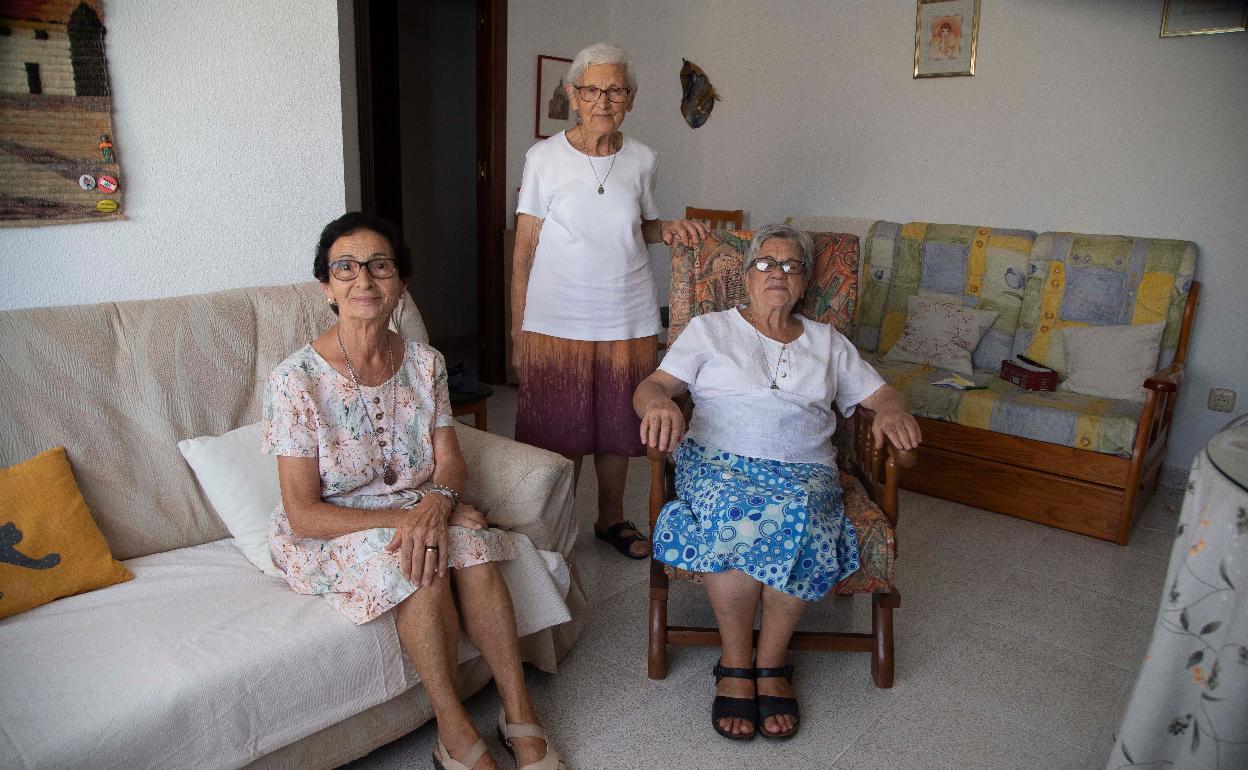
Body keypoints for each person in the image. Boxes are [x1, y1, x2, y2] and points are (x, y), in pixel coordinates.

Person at [263, 212, 563, 770]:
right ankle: (453, 731)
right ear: (326, 286)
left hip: (419, 507)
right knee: (417, 562)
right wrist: (414, 522)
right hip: (335, 526)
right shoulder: (294, 380)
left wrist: (439, 502)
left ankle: (519, 712)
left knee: (473, 553)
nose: (364, 280)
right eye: (345, 268)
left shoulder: (425, 363)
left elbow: (449, 461)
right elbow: (304, 514)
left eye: (381, 265)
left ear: (400, 282)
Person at [632, 224, 921, 741]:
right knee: (739, 510)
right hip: (720, 464)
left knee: (802, 513)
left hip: (805, 471)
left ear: (804, 282)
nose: (778, 274)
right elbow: (654, 385)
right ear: (746, 276)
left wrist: (893, 412)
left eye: (791, 266)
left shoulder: (829, 343)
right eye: (766, 263)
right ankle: (736, 661)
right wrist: (655, 402)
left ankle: (772, 663)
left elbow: (884, 395)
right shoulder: (709, 329)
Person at [511, 42, 708, 560]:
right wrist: (517, 334)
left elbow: (640, 226)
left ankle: (610, 520)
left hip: (627, 315)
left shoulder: (642, 159)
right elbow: (524, 250)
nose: (603, 99)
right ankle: (555, 528)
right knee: (560, 428)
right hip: (555, 320)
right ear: (573, 95)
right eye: (592, 89)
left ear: (632, 98)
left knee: (619, 427)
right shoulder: (544, 159)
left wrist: (670, 228)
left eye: (615, 90)